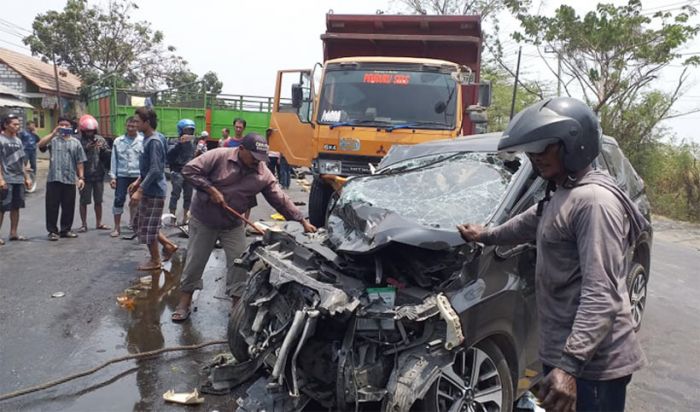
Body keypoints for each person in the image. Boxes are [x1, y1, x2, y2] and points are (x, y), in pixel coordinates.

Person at [457, 97, 648, 412]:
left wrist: (569, 367)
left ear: (573, 145)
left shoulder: (594, 202)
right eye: (532, 149)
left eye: (545, 147)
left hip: (593, 367)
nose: (535, 157)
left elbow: (601, 295)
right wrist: (486, 235)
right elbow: (531, 221)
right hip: (566, 354)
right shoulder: (563, 191)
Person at [171, 133, 317, 322]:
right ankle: (184, 302)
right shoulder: (218, 156)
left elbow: (280, 199)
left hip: (233, 223)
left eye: (261, 159)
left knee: (239, 264)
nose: (258, 162)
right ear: (241, 150)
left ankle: (237, 308)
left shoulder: (262, 173)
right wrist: (210, 189)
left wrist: (301, 220)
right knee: (195, 262)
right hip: (205, 219)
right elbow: (189, 170)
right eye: (254, 157)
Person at [128, 107, 178, 271]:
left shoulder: (154, 141)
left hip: (154, 191)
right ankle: (168, 246)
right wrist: (138, 181)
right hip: (149, 188)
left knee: (148, 227)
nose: (134, 124)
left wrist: (140, 190)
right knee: (142, 224)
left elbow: (157, 169)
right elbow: (149, 167)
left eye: (137, 121)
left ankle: (156, 260)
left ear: (147, 123)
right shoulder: (150, 138)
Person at [38, 117, 87, 241]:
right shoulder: (53, 140)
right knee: (52, 206)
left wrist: (81, 177)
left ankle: (66, 230)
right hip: (54, 179)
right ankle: (52, 231)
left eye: (66, 125)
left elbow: (79, 161)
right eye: (61, 125)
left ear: (71, 127)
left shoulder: (76, 142)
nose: (64, 127)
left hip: (70, 179)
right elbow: (41, 144)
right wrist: (53, 133)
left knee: (68, 206)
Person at [0, 114, 33, 245]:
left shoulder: (18, 141)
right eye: (14, 124)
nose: (17, 126)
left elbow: (21, 161)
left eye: (18, 124)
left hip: (18, 178)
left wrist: (27, 177)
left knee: (16, 207)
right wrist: (1, 179)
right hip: (6, 178)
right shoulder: (1, 140)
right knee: (2, 207)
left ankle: (13, 233)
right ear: (5, 125)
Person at [109, 117, 143, 238]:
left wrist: (142, 177)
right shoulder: (118, 141)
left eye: (133, 126)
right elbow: (114, 160)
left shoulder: (142, 140)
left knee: (136, 201)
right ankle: (117, 227)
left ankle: (134, 225)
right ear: (125, 126)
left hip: (137, 175)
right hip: (122, 175)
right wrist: (113, 177)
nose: (130, 128)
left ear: (137, 127)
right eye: (128, 126)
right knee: (118, 200)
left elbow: (144, 161)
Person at [77, 114, 111, 232]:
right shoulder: (78, 141)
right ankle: (83, 224)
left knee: (98, 201)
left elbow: (107, 156)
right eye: (87, 131)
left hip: (98, 174)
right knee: (84, 201)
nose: (90, 133)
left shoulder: (100, 139)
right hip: (84, 176)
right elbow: (77, 156)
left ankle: (99, 223)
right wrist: (87, 147)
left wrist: (103, 149)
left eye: (91, 131)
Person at [166, 119, 197, 225]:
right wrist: (179, 144)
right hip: (177, 172)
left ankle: (185, 218)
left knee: (188, 196)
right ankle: (172, 218)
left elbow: (193, 156)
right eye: (187, 130)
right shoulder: (174, 141)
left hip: (189, 172)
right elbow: (169, 156)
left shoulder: (192, 143)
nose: (189, 133)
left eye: (191, 130)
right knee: (175, 195)